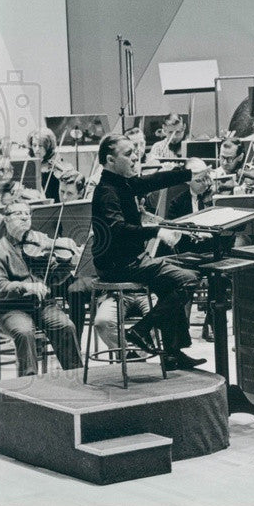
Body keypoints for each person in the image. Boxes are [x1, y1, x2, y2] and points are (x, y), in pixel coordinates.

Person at [90, 133, 206, 371]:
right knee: (188, 279)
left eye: (135, 153)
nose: (135, 158)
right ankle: (140, 330)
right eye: (128, 154)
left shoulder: (121, 183)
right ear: (110, 160)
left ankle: (173, 354)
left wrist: (188, 173)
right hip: (120, 266)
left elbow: (153, 181)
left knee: (169, 284)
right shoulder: (106, 191)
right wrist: (157, 231)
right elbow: (118, 230)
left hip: (126, 261)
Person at [0, 201, 84, 375]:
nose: (24, 217)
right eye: (17, 213)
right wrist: (26, 286)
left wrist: (69, 264)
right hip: (11, 308)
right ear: (6, 220)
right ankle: (28, 382)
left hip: (43, 305)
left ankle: (76, 374)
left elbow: (54, 279)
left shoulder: (39, 242)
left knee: (66, 326)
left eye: (27, 214)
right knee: (24, 332)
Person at [28, 128, 73, 202]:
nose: (37, 149)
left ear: (48, 146)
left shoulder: (57, 163)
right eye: (34, 145)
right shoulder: (31, 163)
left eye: (40, 146)